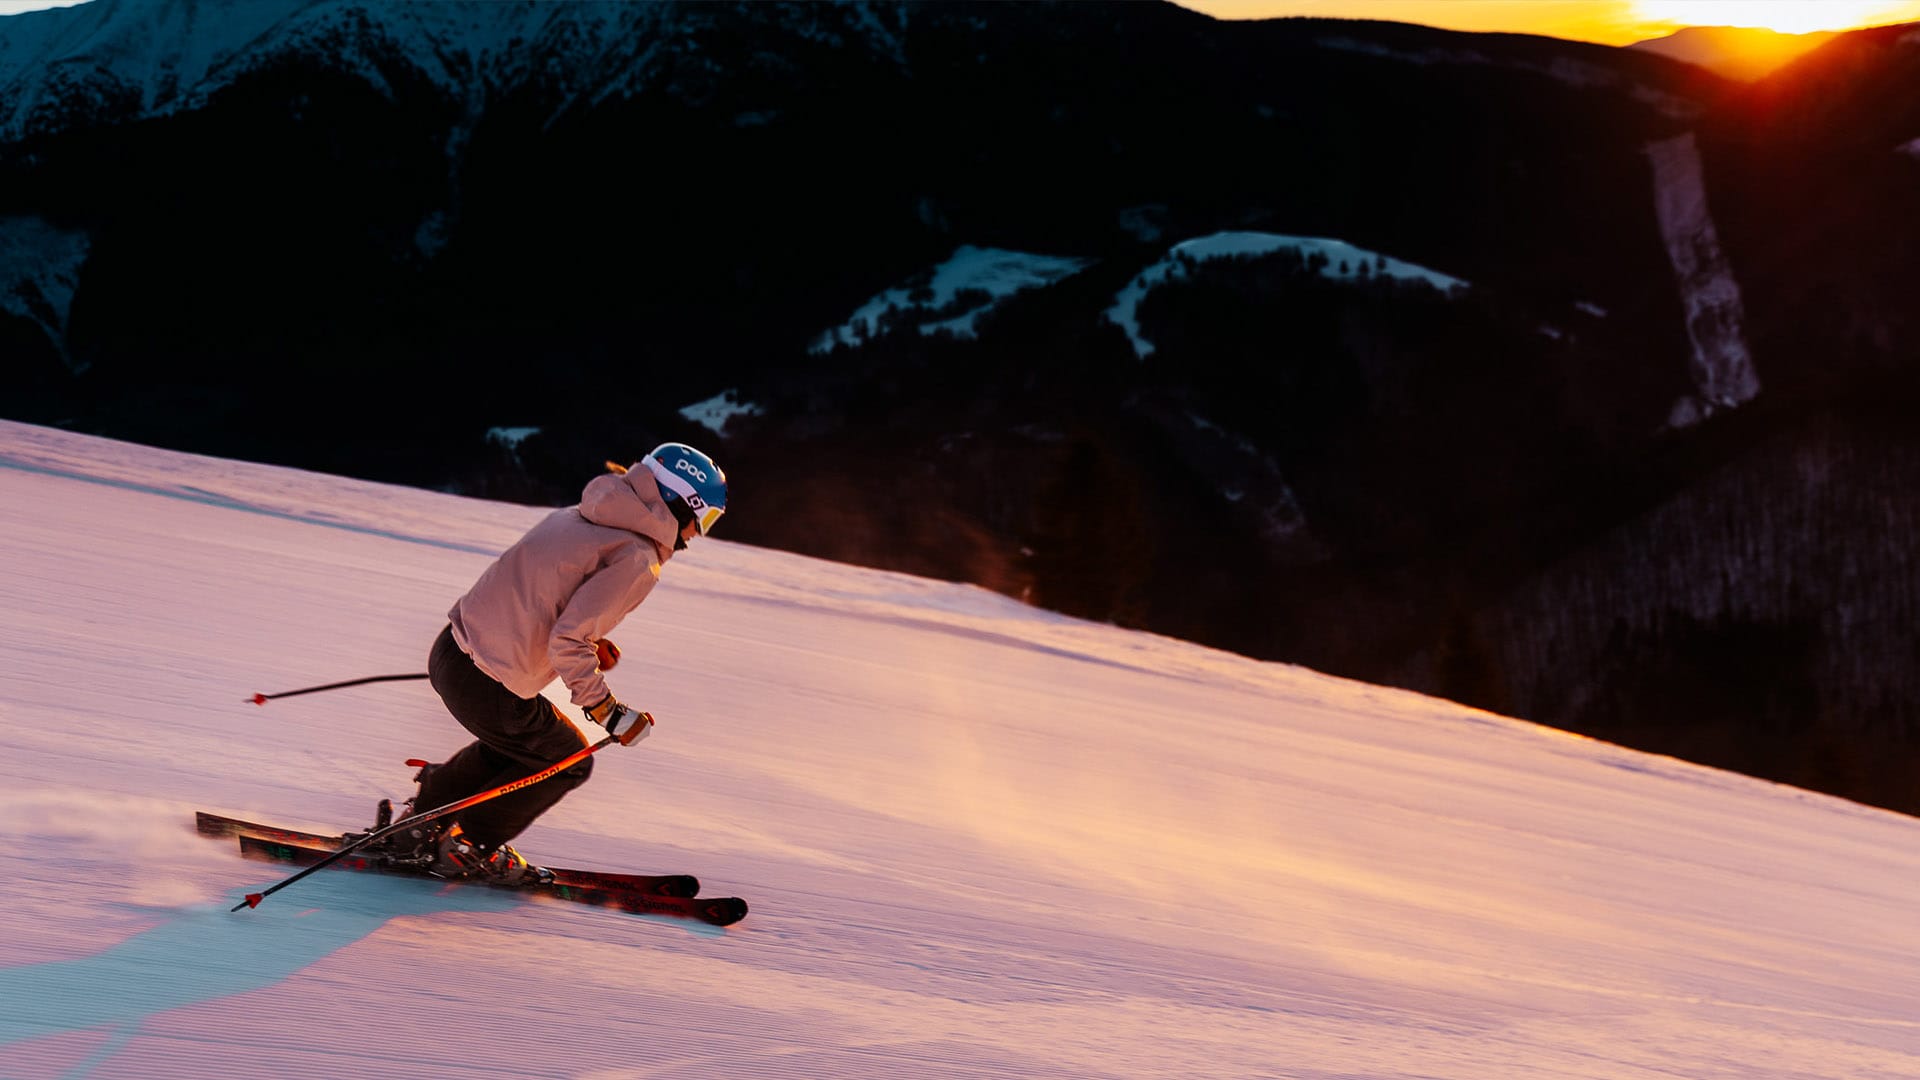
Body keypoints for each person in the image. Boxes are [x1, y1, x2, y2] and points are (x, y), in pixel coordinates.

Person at [387, 442, 729, 884]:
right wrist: (608, 713)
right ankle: (468, 846)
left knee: (516, 748)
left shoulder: (583, 513)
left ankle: (419, 823)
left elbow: (539, 594)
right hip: (491, 686)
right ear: (679, 503)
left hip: (450, 652)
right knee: (568, 760)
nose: (698, 534)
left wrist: (593, 642)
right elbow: (567, 640)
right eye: (705, 519)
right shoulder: (637, 558)